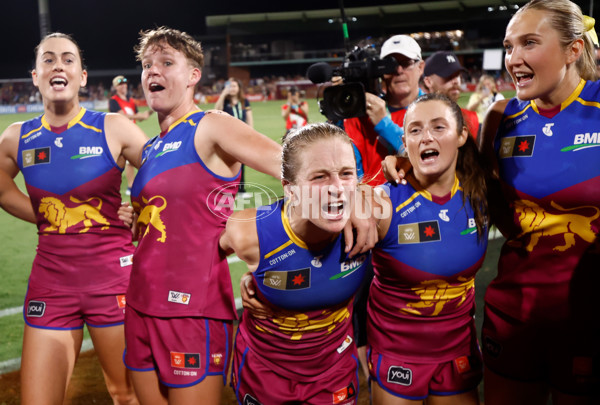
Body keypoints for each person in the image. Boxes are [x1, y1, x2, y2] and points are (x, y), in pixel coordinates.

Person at [122, 26, 310, 405]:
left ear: (194, 76)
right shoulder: (153, 146)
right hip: (140, 304)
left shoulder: (211, 125)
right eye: (146, 65)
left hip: (192, 310)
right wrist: (137, 218)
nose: (152, 72)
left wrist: (261, 241)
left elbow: (299, 170)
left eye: (166, 62)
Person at [0, 32, 148, 405]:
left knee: (126, 394)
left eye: (68, 59)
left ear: (82, 76)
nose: (57, 65)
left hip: (114, 281)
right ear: (35, 76)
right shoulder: (18, 137)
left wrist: (142, 212)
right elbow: (2, 190)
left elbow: (167, 176)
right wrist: (51, 219)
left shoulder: (111, 127)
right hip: (51, 283)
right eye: (47, 60)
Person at [478, 1, 600, 404]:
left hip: (589, 320)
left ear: (573, 50)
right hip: (513, 314)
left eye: (530, 43)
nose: (514, 59)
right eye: (509, 47)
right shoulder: (500, 117)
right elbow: (487, 202)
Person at [220, 122, 370, 404]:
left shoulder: (374, 221)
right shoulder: (249, 231)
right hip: (265, 372)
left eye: (346, 174)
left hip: (334, 371)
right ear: (289, 189)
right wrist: (257, 282)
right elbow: (203, 258)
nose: (336, 189)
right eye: (319, 177)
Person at [367, 93, 488, 405]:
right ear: (404, 140)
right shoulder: (380, 202)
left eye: (438, 127)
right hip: (397, 354)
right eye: (415, 130)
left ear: (462, 135)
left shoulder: (483, 192)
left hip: (457, 351)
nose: (426, 138)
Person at [344, 34, 426, 186]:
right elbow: (353, 175)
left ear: (420, 67)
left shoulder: (437, 110)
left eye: (406, 63)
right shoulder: (362, 117)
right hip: (375, 205)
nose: (399, 70)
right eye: (391, 65)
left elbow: (430, 157)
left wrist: (384, 124)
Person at [109, 75, 153, 196]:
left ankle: (132, 186)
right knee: (124, 161)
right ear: (115, 87)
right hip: (119, 134)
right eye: (120, 84)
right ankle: (129, 186)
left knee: (132, 160)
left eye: (125, 84)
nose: (123, 86)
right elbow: (121, 115)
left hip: (132, 132)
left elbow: (140, 117)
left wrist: (150, 111)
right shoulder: (113, 100)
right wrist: (139, 116)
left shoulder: (131, 100)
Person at [421, 50, 480, 139]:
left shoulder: (471, 118)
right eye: (447, 76)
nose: (456, 81)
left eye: (457, 75)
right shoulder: (415, 121)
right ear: (428, 82)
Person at [215, 77, 254, 193]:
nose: (232, 89)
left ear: (239, 88)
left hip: (241, 137)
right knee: (226, 163)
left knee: (241, 163)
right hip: (227, 137)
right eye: (229, 86)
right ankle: (226, 189)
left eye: (234, 86)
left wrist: (251, 135)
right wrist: (223, 94)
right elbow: (217, 109)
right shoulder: (225, 101)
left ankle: (241, 189)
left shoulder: (244, 101)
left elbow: (249, 120)